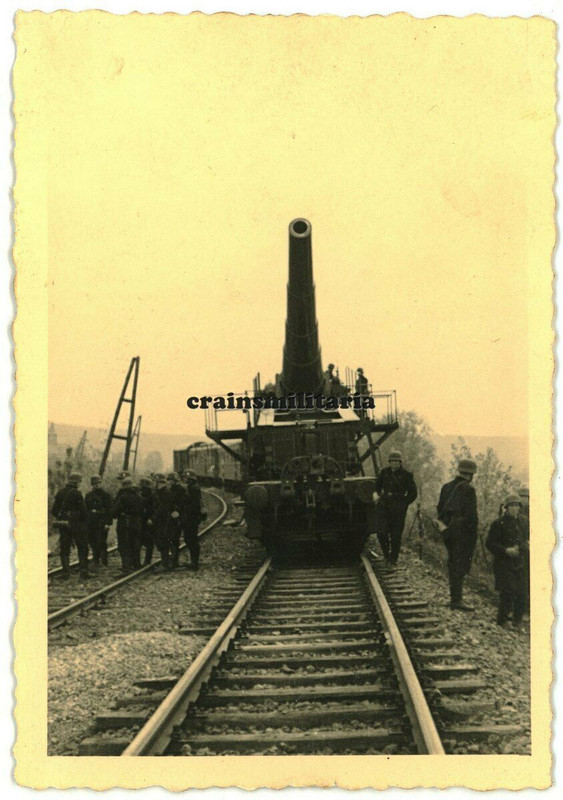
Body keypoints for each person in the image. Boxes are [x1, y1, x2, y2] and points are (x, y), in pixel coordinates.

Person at [437, 459, 479, 611]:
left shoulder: (446, 487)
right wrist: (472, 536)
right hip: (462, 533)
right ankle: (456, 600)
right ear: (471, 474)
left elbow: (440, 509)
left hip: (448, 531)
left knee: (452, 562)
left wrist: (447, 528)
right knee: (460, 564)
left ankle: (455, 597)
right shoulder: (469, 490)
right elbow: (472, 518)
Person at [486, 494, 528, 628]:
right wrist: (506, 550)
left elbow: (527, 540)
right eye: (512, 506)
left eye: (517, 506)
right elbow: (490, 544)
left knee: (522, 592)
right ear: (506, 508)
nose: (515, 509)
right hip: (503, 563)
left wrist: (521, 547)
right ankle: (502, 619)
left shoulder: (523, 522)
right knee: (508, 590)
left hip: (520, 562)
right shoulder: (498, 523)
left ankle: (517, 620)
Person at [374, 451, 417, 566]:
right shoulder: (384, 473)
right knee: (381, 533)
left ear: (400, 462)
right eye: (392, 461)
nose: (394, 463)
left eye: (396, 461)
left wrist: (404, 504)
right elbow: (377, 487)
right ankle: (386, 556)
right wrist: (378, 496)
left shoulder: (407, 475)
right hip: (384, 506)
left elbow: (413, 494)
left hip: (398, 508)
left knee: (396, 535)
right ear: (389, 462)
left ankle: (393, 559)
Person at [51, 472, 90, 580]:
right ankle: (84, 572)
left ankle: (65, 573)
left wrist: (63, 517)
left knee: (64, 549)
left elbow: (54, 510)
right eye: (80, 482)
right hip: (77, 526)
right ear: (77, 482)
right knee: (82, 548)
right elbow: (84, 512)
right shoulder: (77, 494)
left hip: (64, 526)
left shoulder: (60, 492)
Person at [111, 476, 143, 573]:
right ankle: (137, 564)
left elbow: (115, 511)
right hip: (137, 522)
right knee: (135, 542)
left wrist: (115, 514)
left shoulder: (123, 497)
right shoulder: (139, 496)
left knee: (124, 544)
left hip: (125, 522)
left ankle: (127, 566)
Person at [84, 475, 113, 568]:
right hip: (91, 523)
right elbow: (86, 509)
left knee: (102, 542)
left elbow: (109, 511)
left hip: (102, 522)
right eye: (95, 483)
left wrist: (108, 523)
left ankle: (104, 561)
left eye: (98, 483)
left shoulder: (106, 495)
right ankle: (96, 560)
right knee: (92, 542)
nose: (97, 485)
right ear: (92, 484)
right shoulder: (88, 496)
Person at [182, 470, 204, 570]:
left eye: (185, 478)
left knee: (191, 539)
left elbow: (194, 505)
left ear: (190, 479)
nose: (184, 479)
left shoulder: (193, 488)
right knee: (190, 539)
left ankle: (194, 563)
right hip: (192, 517)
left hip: (192, 518)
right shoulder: (193, 487)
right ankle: (193, 562)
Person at [166, 472, 187, 569]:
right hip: (171, 517)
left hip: (178, 518)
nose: (169, 482)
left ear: (175, 480)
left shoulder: (181, 489)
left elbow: (184, 503)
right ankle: (172, 560)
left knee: (174, 539)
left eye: (170, 480)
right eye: (168, 480)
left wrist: (177, 511)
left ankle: (174, 562)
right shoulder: (170, 489)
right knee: (171, 538)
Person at [518, 487, 530, 614]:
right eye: (522, 497)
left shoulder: (532, 512)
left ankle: (526, 608)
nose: (524, 500)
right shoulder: (515, 511)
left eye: (526, 497)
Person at [138, 476, 155, 566]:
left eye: (143, 487)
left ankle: (147, 561)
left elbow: (155, 509)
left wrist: (152, 518)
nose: (141, 489)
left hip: (149, 521)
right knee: (140, 541)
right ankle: (139, 562)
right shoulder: (141, 495)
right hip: (142, 520)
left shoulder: (152, 496)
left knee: (149, 542)